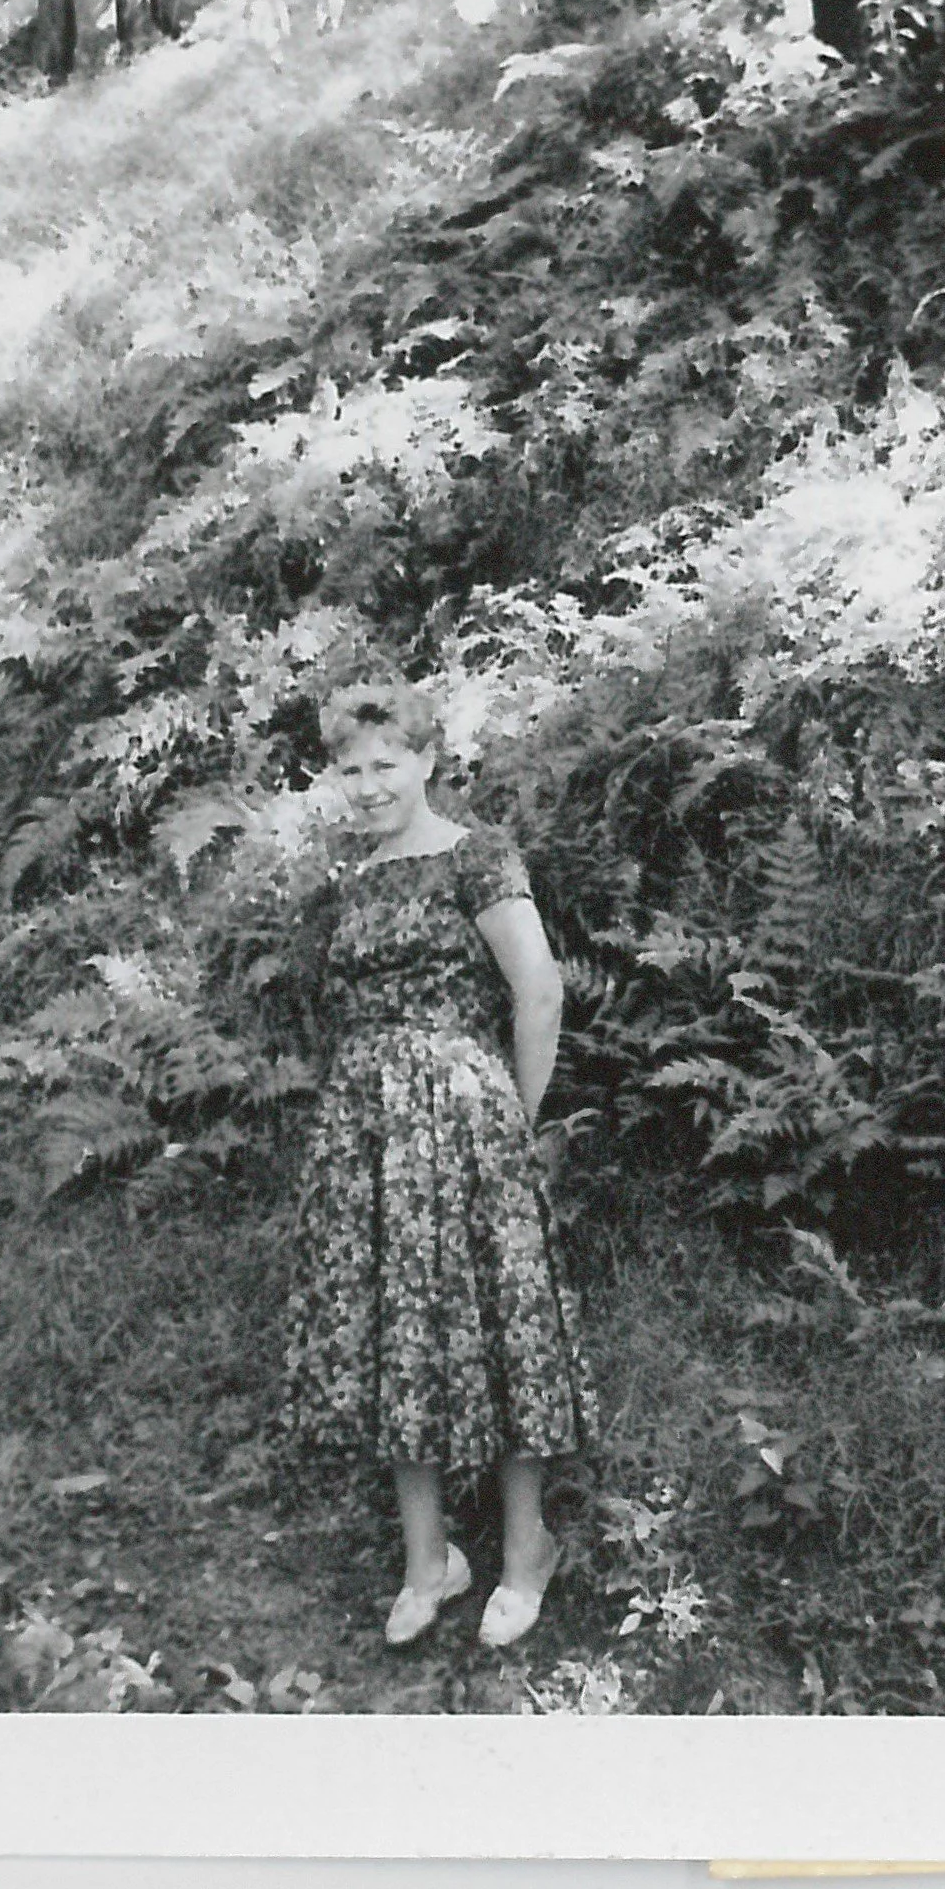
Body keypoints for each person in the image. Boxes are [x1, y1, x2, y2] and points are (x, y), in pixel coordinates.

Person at [280, 681, 599, 1650]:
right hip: (369, 1142)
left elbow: (537, 990)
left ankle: (525, 1546)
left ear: (426, 758)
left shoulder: (477, 854)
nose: (370, 784)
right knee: (396, 1338)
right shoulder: (352, 880)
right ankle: (431, 1561)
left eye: (387, 762)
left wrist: (514, 1118)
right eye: (351, 768)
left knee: (499, 1334)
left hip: (467, 1127)